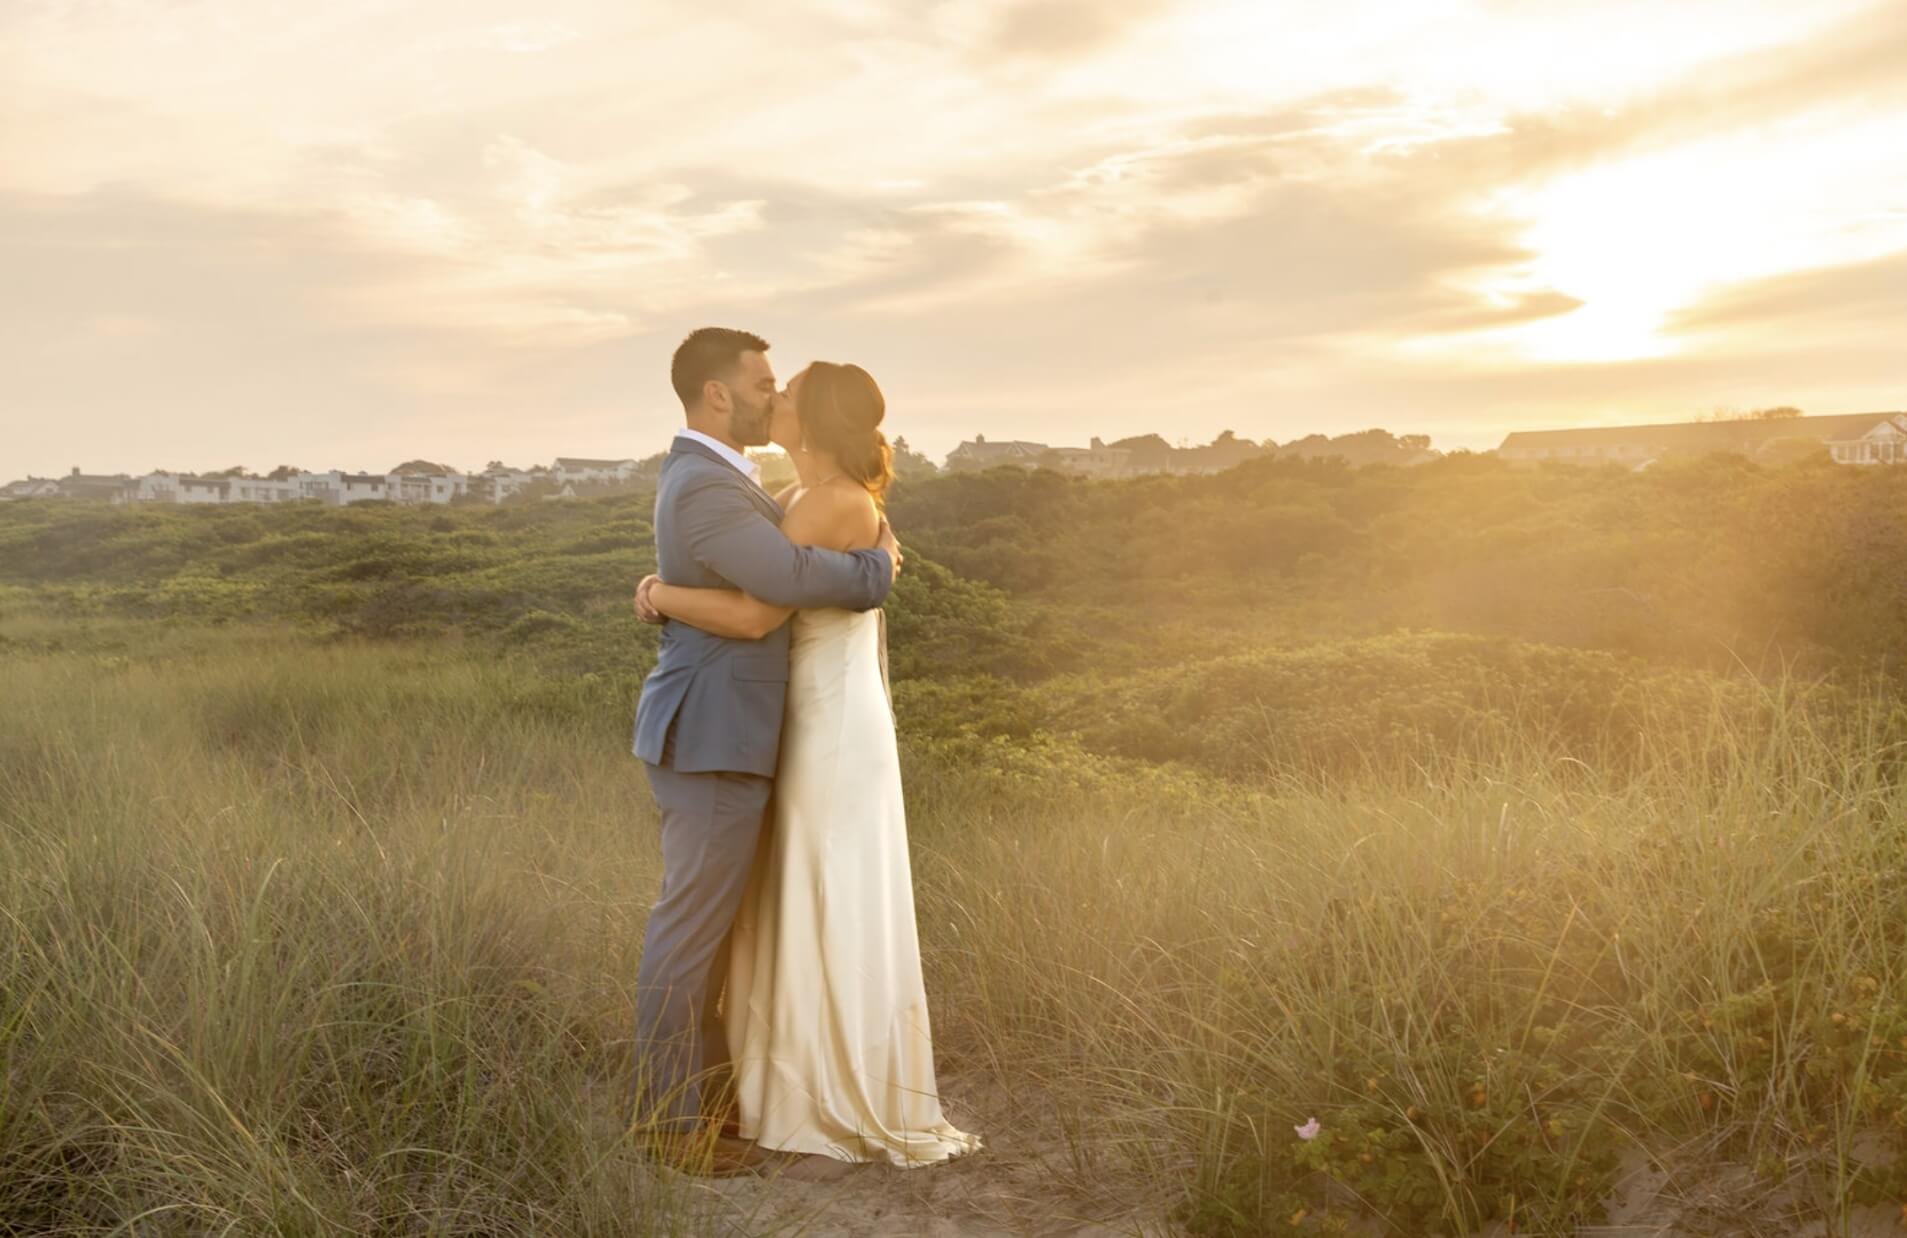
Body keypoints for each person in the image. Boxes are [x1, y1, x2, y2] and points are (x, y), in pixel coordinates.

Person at [636, 358, 980, 1168]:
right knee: (781, 900)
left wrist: (657, 592)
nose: (775, 398)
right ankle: (728, 1101)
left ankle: (801, 1087)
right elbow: (783, 587)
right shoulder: (790, 497)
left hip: (824, 724)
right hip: (789, 718)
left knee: (821, 888)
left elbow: (760, 611)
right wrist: (869, 571)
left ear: (814, 418)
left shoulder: (828, 502)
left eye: (785, 392)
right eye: (766, 384)